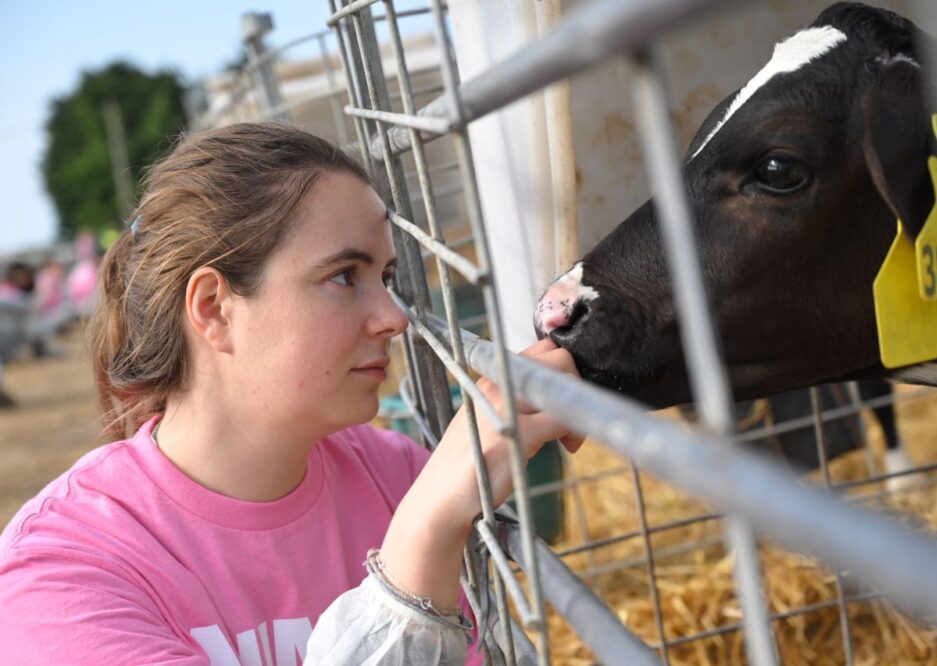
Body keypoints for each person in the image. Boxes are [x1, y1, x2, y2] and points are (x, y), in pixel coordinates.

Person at [0, 123, 581, 665]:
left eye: (384, 279)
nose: (393, 318)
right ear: (214, 309)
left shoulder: (397, 474)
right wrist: (419, 547)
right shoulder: (62, 573)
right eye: (343, 277)